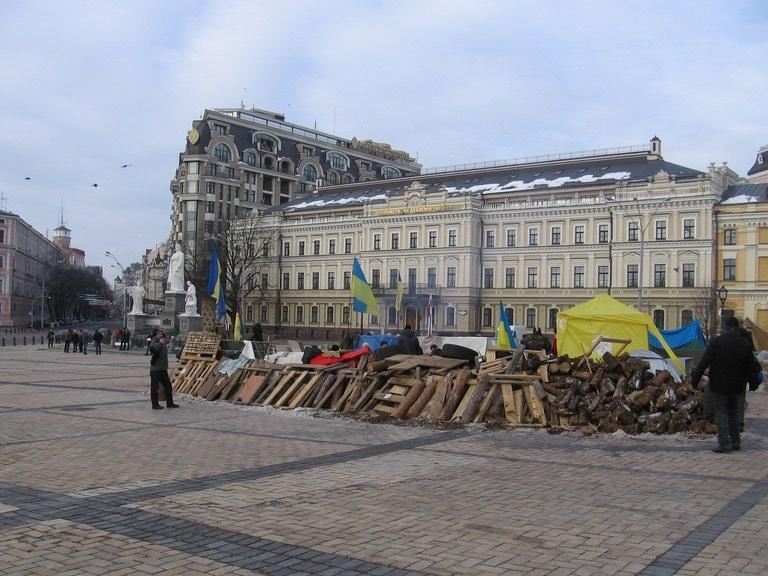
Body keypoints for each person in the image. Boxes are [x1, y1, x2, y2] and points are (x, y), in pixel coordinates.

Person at [692, 316, 762, 453]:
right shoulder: (745, 343)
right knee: (734, 413)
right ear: (737, 327)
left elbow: (704, 361)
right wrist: (753, 382)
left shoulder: (717, 342)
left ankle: (724, 443)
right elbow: (752, 366)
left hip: (719, 385)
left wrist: (695, 379)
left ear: (725, 327)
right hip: (737, 385)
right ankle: (735, 442)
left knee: (722, 413)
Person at [149, 330, 179, 410]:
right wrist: (160, 343)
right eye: (159, 334)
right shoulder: (154, 341)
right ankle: (155, 405)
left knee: (168, 386)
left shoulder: (163, 342)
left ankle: (170, 403)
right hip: (155, 369)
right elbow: (152, 350)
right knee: (154, 388)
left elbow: (168, 340)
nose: (161, 335)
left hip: (163, 369)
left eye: (162, 334)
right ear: (156, 335)